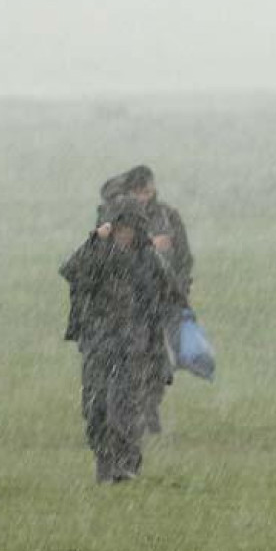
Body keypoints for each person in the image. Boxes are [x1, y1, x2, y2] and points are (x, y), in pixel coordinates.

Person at [61, 197, 186, 483]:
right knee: (96, 408)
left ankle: (126, 466)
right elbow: (72, 271)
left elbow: (173, 293)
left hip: (134, 345)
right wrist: (95, 240)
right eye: (119, 229)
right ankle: (105, 463)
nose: (124, 235)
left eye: (129, 230)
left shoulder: (148, 258)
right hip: (98, 343)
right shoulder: (97, 252)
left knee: (125, 408)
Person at [93, 165, 193, 433]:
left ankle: (149, 410)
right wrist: (150, 243)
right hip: (124, 306)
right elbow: (101, 254)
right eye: (138, 192)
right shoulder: (112, 217)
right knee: (127, 362)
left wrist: (180, 291)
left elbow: (184, 258)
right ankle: (126, 417)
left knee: (160, 363)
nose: (143, 197)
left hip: (160, 303)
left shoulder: (168, 216)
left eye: (147, 191)